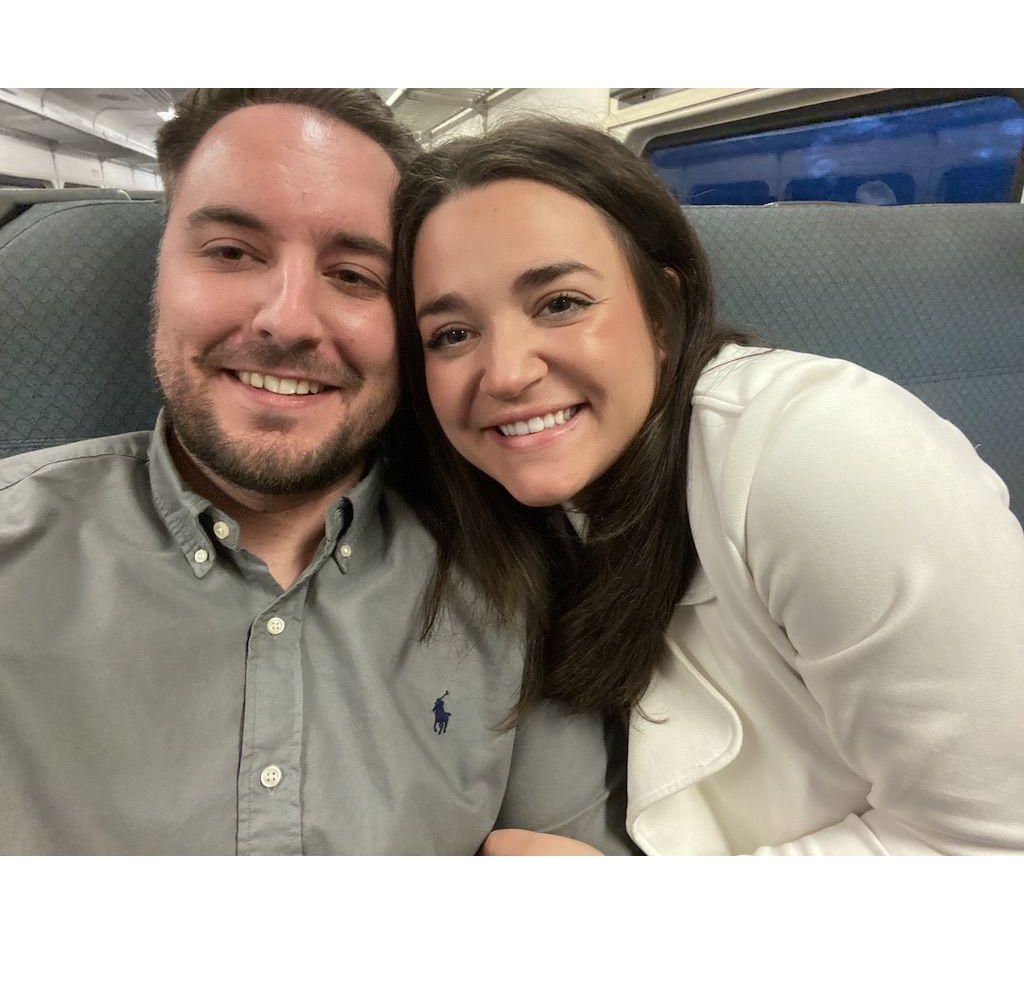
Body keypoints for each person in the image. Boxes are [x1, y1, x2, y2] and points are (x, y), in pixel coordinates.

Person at [0, 92, 633, 856]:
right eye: (232, 253)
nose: (289, 320)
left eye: (355, 275)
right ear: (160, 272)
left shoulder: (516, 579)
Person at [391, 118, 1024, 855]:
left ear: (663, 313)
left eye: (560, 303)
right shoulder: (532, 508)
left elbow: (997, 846)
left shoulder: (821, 450)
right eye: (452, 335)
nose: (504, 374)